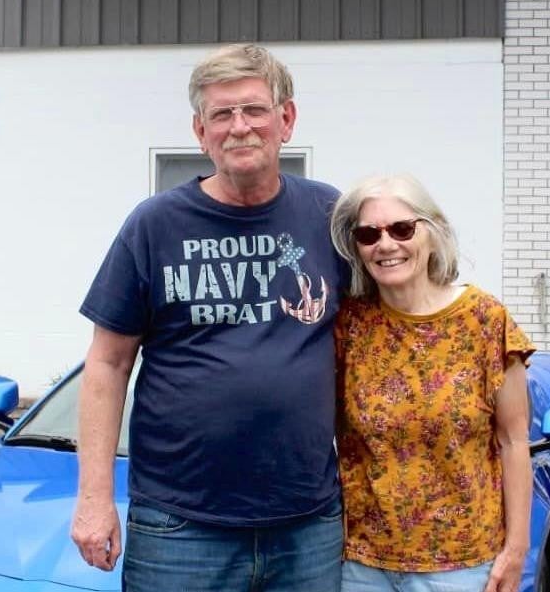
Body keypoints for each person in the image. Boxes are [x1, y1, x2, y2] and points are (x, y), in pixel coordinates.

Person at [71, 43, 345, 592]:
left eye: (254, 110)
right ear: (201, 133)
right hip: (180, 526)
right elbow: (106, 364)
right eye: (222, 114)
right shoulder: (153, 226)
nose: (239, 127)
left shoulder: (328, 215)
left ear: (285, 120)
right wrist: (94, 499)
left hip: (307, 523)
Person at [329, 174, 534, 592]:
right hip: (362, 565)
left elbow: (514, 442)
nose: (385, 244)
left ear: (432, 231)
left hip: (462, 566)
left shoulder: (484, 320)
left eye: (401, 229)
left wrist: (516, 551)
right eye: (369, 234)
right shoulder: (348, 325)